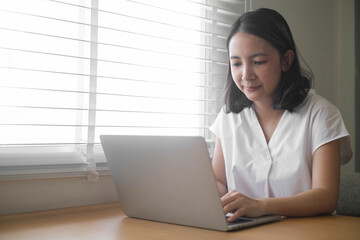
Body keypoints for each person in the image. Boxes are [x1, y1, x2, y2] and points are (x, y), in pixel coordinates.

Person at [210, 8, 353, 222]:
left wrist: (260, 206)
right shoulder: (228, 117)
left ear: (285, 60)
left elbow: (326, 196)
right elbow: (219, 182)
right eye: (237, 63)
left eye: (258, 62)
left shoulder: (320, 113)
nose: (246, 74)